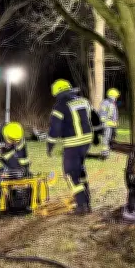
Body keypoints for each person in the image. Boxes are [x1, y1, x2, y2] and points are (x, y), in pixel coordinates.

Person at [47, 79, 100, 214]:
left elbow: (55, 128)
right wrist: (96, 136)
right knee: (80, 170)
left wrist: (50, 145)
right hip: (86, 141)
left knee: (70, 173)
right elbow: (95, 118)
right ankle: (87, 202)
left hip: (73, 143)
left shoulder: (60, 106)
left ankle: (82, 206)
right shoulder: (83, 101)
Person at [98, 88, 120, 155]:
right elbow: (102, 115)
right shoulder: (105, 103)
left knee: (111, 137)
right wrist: (106, 122)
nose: (116, 98)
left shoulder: (112, 103)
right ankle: (104, 152)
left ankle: (109, 149)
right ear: (112, 96)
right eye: (115, 96)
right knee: (106, 137)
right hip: (107, 125)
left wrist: (115, 121)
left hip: (112, 124)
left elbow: (114, 114)